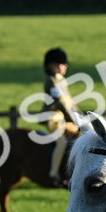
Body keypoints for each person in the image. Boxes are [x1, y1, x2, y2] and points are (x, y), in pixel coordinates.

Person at [42, 47, 80, 186]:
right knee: (62, 142)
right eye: (61, 63)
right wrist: (73, 118)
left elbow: (70, 102)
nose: (65, 66)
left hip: (63, 117)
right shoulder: (51, 81)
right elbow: (60, 102)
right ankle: (52, 175)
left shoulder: (61, 80)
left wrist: (81, 116)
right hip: (53, 117)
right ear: (52, 65)